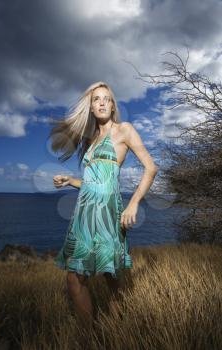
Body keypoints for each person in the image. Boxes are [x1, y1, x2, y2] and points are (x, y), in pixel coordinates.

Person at [49, 81, 158, 330]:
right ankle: (88, 337)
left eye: (106, 98)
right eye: (96, 98)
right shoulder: (92, 140)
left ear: (112, 105)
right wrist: (70, 181)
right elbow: (94, 181)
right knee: (75, 279)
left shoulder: (124, 130)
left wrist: (133, 205)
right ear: (90, 107)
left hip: (109, 214)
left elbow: (151, 168)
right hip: (84, 215)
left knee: (113, 277)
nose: (101, 102)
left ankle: (115, 331)